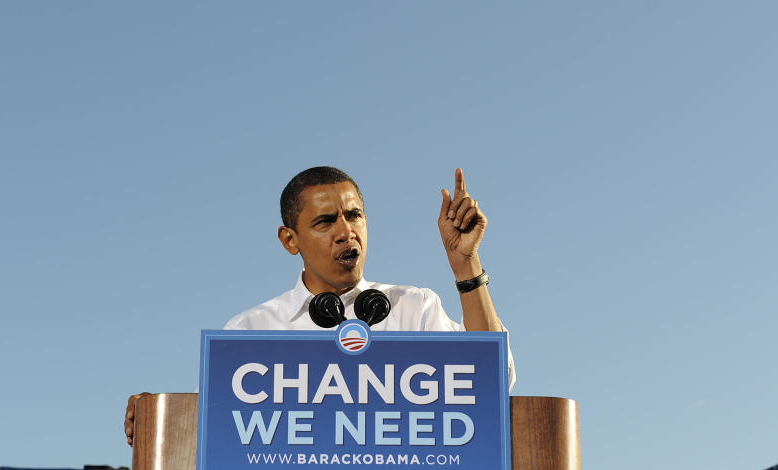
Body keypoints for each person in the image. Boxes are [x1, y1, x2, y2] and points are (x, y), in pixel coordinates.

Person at [125, 166, 512, 445]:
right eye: (326, 222)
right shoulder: (251, 331)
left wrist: (465, 263)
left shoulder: (413, 307)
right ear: (290, 240)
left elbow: (491, 381)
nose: (346, 232)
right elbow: (207, 431)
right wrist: (157, 418)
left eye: (355, 215)